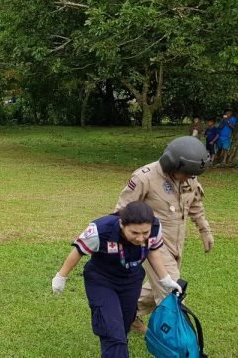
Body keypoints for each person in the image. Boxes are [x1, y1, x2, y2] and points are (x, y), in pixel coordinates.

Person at [52, 202, 182, 358]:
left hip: (131, 279)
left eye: (144, 233)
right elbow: (78, 251)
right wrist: (61, 276)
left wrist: (165, 278)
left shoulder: (154, 227)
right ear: (122, 224)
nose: (140, 238)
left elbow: (152, 251)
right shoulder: (100, 230)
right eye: (134, 233)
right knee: (112, 330)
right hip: (101, 279)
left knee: (124, 325)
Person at [115, 136, 212, 333]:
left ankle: (125, 312)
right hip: (150, 244)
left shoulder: (189, 175)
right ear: (172, 163)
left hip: (176, 242)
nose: (188, 178)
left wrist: (204, 230)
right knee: (172, 289)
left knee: (157, 287)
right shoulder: (144, 178)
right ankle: (174, 342)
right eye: (184, 173)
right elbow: (121, 211)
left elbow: (195, 203)